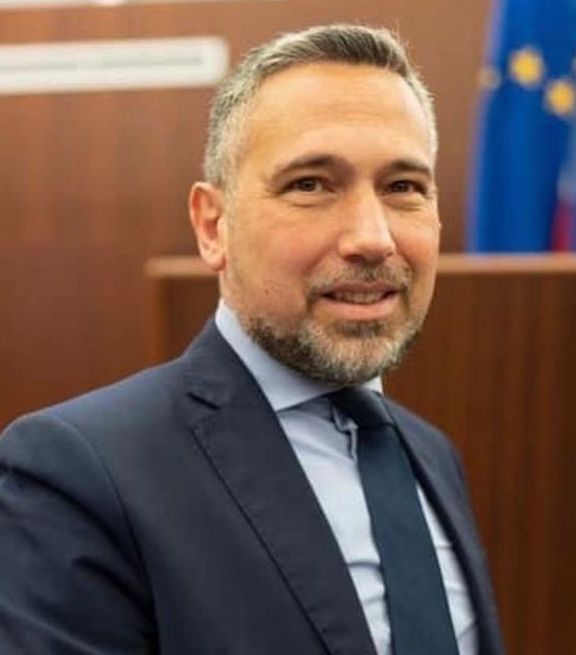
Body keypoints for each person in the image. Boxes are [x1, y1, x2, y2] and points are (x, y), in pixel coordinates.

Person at [0, 24, 503, 655]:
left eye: (403, 187)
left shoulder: (430, 454)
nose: (373, 238)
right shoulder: (76, 472)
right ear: (213, 226)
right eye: (311, 185)